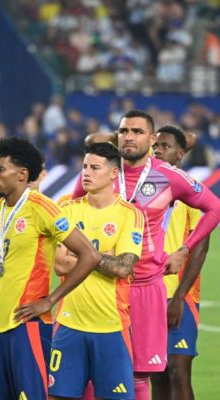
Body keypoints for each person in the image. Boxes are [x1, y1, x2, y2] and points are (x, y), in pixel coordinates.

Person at [73, 110, 220, 400]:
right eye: (124, 131)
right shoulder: (100, 171)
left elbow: (215, 209)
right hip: (99, 285)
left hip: (144, 285)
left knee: (140, 373)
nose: (129, 136)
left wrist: (184, 248)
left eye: (138, 132)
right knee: (93, 372)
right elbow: (71, 211)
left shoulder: (169, 177)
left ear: (152, 139)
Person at [0, 137, 100, 399]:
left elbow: (90, 256)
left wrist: (49, 301)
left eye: (0, 169)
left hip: (27, 326)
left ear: (22, 174)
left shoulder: (42, 207)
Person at [49, 143, 144, 400]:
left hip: (111, 327)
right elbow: (59, 263)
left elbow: (123, 267)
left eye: (95, 167)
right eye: (84, 167)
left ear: (114, 174)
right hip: (69, 324)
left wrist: (82, 256)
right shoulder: (66, 208)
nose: (86, 173)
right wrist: (104, 258)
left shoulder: (130, 214)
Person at [150, 125, 211, 400]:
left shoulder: (191, 191)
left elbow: (200, 247)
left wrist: (179, 297)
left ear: (180, 153)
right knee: (156, 372)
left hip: (178, 295)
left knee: (178, 370)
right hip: (146, 294)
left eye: (165, 146)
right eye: (156, 146)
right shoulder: (144, 189)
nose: (158, 151)